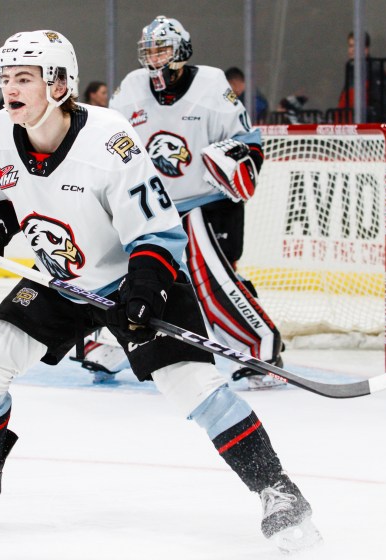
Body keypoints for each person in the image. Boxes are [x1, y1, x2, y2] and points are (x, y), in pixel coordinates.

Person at [0, 29, 321, 554]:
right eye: (6, 78)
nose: (9, 89)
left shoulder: (109, 141)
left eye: (24, 79)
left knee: (194, 387)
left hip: (136, 278)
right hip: (61, 281)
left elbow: (156, 231)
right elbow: (4, 199)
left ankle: (278, 490)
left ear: (59, 85)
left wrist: (147, 287)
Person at [77, 16, 284, 390]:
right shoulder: (131, 88)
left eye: (162, 50)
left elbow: (248, 142)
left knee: (209, 280)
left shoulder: (211, 84)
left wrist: (233, 159)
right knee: (135, 277)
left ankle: (262, 351)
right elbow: (110, 141)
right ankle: (111, 346)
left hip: (208, 204)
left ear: (182, 50)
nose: (155, 58)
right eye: (149, 51)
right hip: (155, 208)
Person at [336, 32, 386, 123]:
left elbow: (378, 104)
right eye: (350, 46)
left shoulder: (373, 70)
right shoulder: (353, 69)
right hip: (352, 123)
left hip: (364, 125)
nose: (352, 50)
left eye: (355, 47)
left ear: (366, 50)